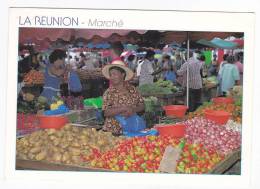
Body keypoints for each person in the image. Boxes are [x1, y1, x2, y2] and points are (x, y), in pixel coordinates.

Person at [101, 60, 145, 135]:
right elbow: (105, 112)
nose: (112, 77)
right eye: (110, 75)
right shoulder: (108, 92)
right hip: (114, 131)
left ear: (122, 74)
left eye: (115, 74)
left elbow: (142, 105)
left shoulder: (132, 89)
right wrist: (123, 108)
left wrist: (132, 110)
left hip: (132, 128)